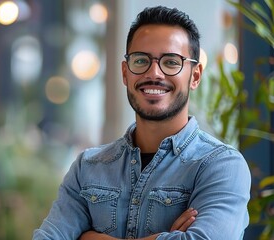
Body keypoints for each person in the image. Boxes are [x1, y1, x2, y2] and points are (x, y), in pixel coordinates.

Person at [33, 5, 251, 240]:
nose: (154, 73)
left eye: (170, 62)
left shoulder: (220, 166)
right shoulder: (87, 168)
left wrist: (89, 237)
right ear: (125, 73)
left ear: (195, 76)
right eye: (140, 60)